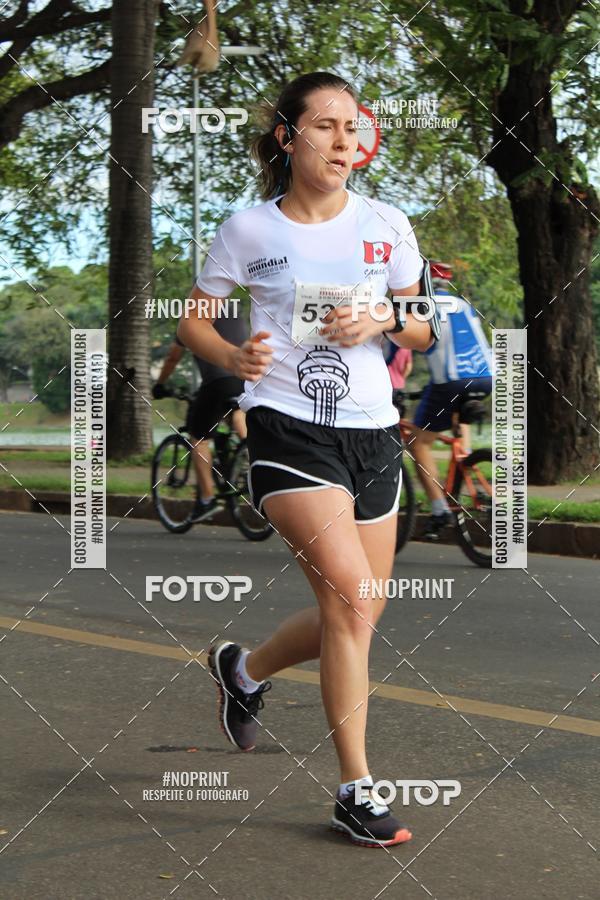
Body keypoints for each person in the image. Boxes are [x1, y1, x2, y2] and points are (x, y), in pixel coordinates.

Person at [177, 71, 437, 847]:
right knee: (352, 607)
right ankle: (356, 791)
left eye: (353, 127)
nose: (343, 140)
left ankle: (243, 671)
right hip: (288, 428)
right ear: (290, 137)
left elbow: (422, 327)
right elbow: (194, 321)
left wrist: (386, 317)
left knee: (357, 612)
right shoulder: (249, 231)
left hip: (373, 434)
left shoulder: (387, 223)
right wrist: (233, 353)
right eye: (325, 126)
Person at [409, 261, 493, 538]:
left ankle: (438, 510)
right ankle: (466, 466)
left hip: (451, 379)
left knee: (417, 442)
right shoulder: (462, 303)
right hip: (486, 375)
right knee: (461, 418)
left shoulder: (419, 306)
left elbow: (397, 350)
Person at [152, 299, 248, 522]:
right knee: (236, 416)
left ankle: (206, 499)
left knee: (198, 437)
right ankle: (249, 459)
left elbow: (173, 356)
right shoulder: (235, 309)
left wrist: (160, 384)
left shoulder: (193, 314)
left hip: (218, 381)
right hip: (246, 377)